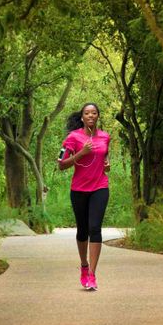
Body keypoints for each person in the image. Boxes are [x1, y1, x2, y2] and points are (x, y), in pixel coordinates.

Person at [58, 103, 111, 291]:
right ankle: (84, 265)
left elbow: (105, 157)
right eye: (87, 113)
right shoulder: (73, 137)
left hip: (100, 187)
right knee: (82, 230)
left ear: (98, 116)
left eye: (94, 113)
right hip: (79, 189)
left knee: (95, 228)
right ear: (82, 117)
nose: (90, 116)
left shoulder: (105, 136)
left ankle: (92, 275)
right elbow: (61, 164)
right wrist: (82, 153)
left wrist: (107, 165)